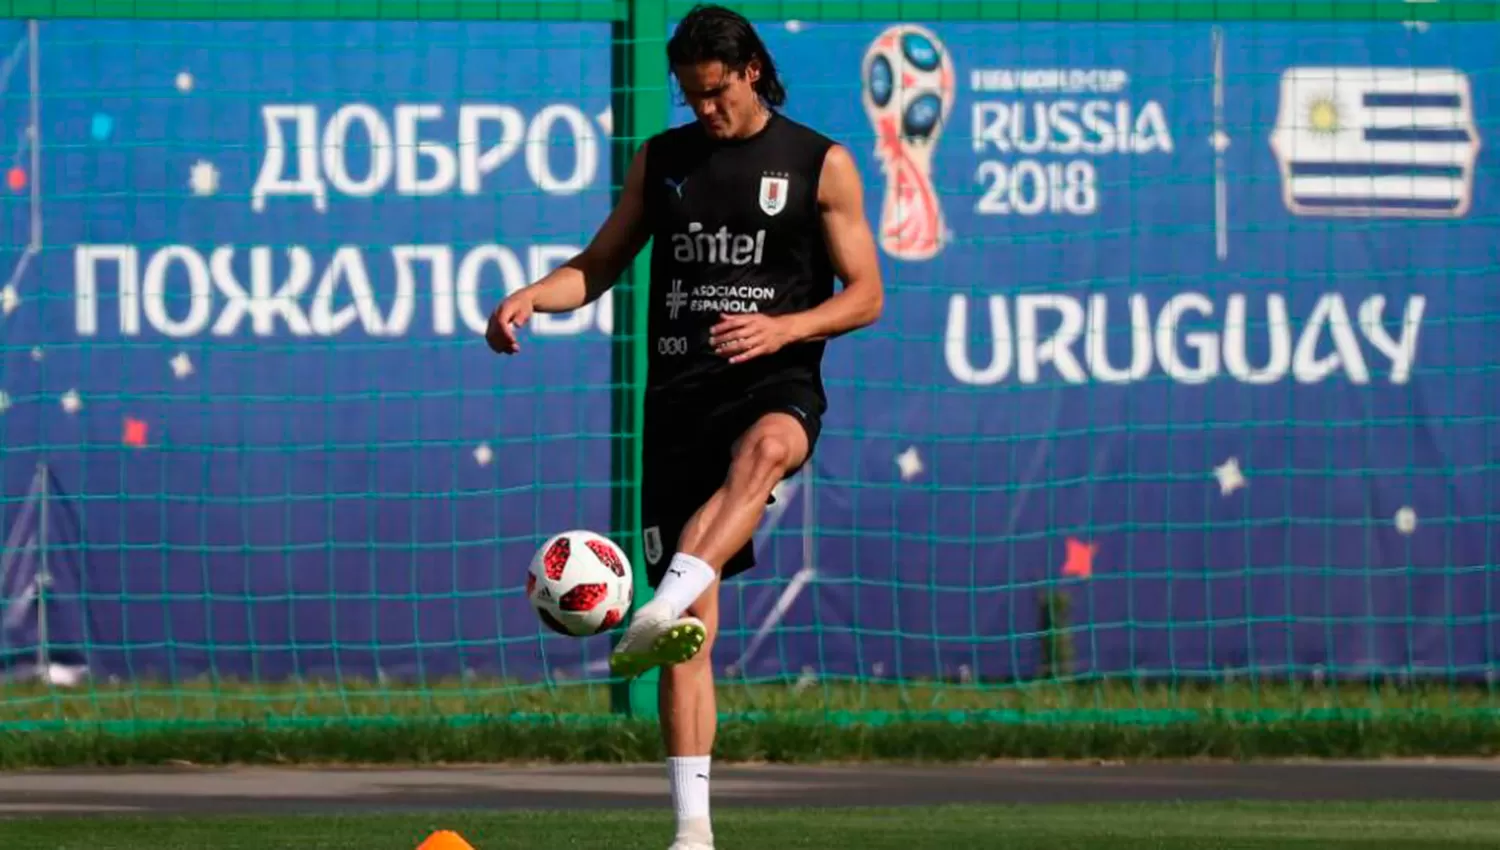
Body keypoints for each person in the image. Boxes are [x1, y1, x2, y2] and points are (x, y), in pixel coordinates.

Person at [485, 5, 883, 848]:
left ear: (749, 72)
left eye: (713, 92)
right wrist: (530, 295)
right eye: (689, 95)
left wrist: (784, 328)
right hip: (679, 401)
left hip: (775, 378)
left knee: (771, 448)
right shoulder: (663, 162)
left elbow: (866, 294)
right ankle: (692, 833)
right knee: (687, 644)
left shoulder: (821, 163)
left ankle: (659, 602)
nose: (703, 109)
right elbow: (595, 267)